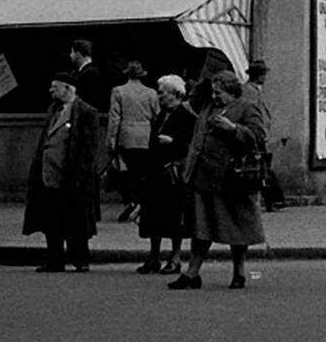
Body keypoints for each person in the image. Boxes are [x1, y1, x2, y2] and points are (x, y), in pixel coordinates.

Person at [168, 71, 268, 289]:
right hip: (204, 177)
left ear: (232, 92)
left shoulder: (247, 107)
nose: (215, 96)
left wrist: (234, 129)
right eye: (213, 91)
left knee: (237, 228)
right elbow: (196, 95)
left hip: (233, 179)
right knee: (201, 229)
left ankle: (239, 272)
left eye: (219, 92)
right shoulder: (207, 106)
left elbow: (259, 136)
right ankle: (192, 274)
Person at [21, 71, 100, 273]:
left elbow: (89, 148)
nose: (51, 90)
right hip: (49, 174)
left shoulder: (86, 112)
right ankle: (54, 259)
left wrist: (82, 175)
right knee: (51, 219)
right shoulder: (53, 110)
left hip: (71, 176)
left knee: (75, 219)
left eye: (54, 87)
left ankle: (80, 259)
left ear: (67, 88)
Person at [136, 75, 196, 275]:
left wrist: (173, 142)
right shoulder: (160, 115)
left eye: (162, 92)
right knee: (153, 214)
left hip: (173, 173)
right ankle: (154, 256)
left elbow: (192, 146)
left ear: (174, 94)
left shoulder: (187, 117)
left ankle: (175, 257)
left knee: (174, 216)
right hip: (156, 172)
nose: (159, 95)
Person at [107, 60, 159, 222]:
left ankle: (132, 201)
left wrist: (111, 140)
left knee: (126, 173)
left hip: (126, 136)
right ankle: (140, 203)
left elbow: (115, 118)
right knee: (142, 172)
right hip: (145, 136)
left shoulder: (118, 91)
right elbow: (156, 115)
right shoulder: (151, 93)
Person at [241, 58, 285, 212]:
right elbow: (253, 113)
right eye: (263, 74)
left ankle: (272, 200)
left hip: (261, 133)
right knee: (263, 167)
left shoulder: (255, 90)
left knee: (264, 167)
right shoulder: (250, 91)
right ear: (257, 75)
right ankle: (273, 199)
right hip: (256, 134)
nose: (265, 77)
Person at [70, 39, 111, 188]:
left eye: (72, 52)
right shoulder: (93, 72)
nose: (70, 56)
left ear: (79, 53)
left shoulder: (88, 74)